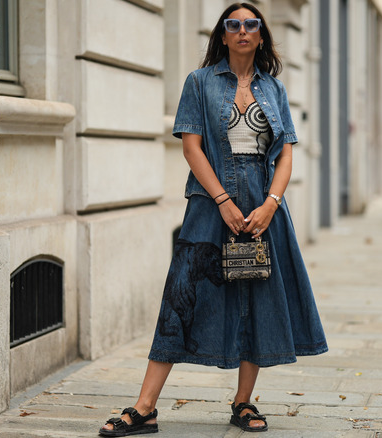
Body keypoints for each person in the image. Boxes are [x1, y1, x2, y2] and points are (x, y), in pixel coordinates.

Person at [99, 3, 327, 436]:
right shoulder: (199, 82)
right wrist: (222, 199)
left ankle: (243, 402)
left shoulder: (274, 89)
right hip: (209, 204)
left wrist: (271, 204)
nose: (243, 31)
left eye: (251, 25)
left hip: (263, 207)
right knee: (181, 298)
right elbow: (191, 147)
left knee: (258, 300)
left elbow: (285, 154)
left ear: (261, 35)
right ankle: (145, 407)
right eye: (234, 25)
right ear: (223, 35)